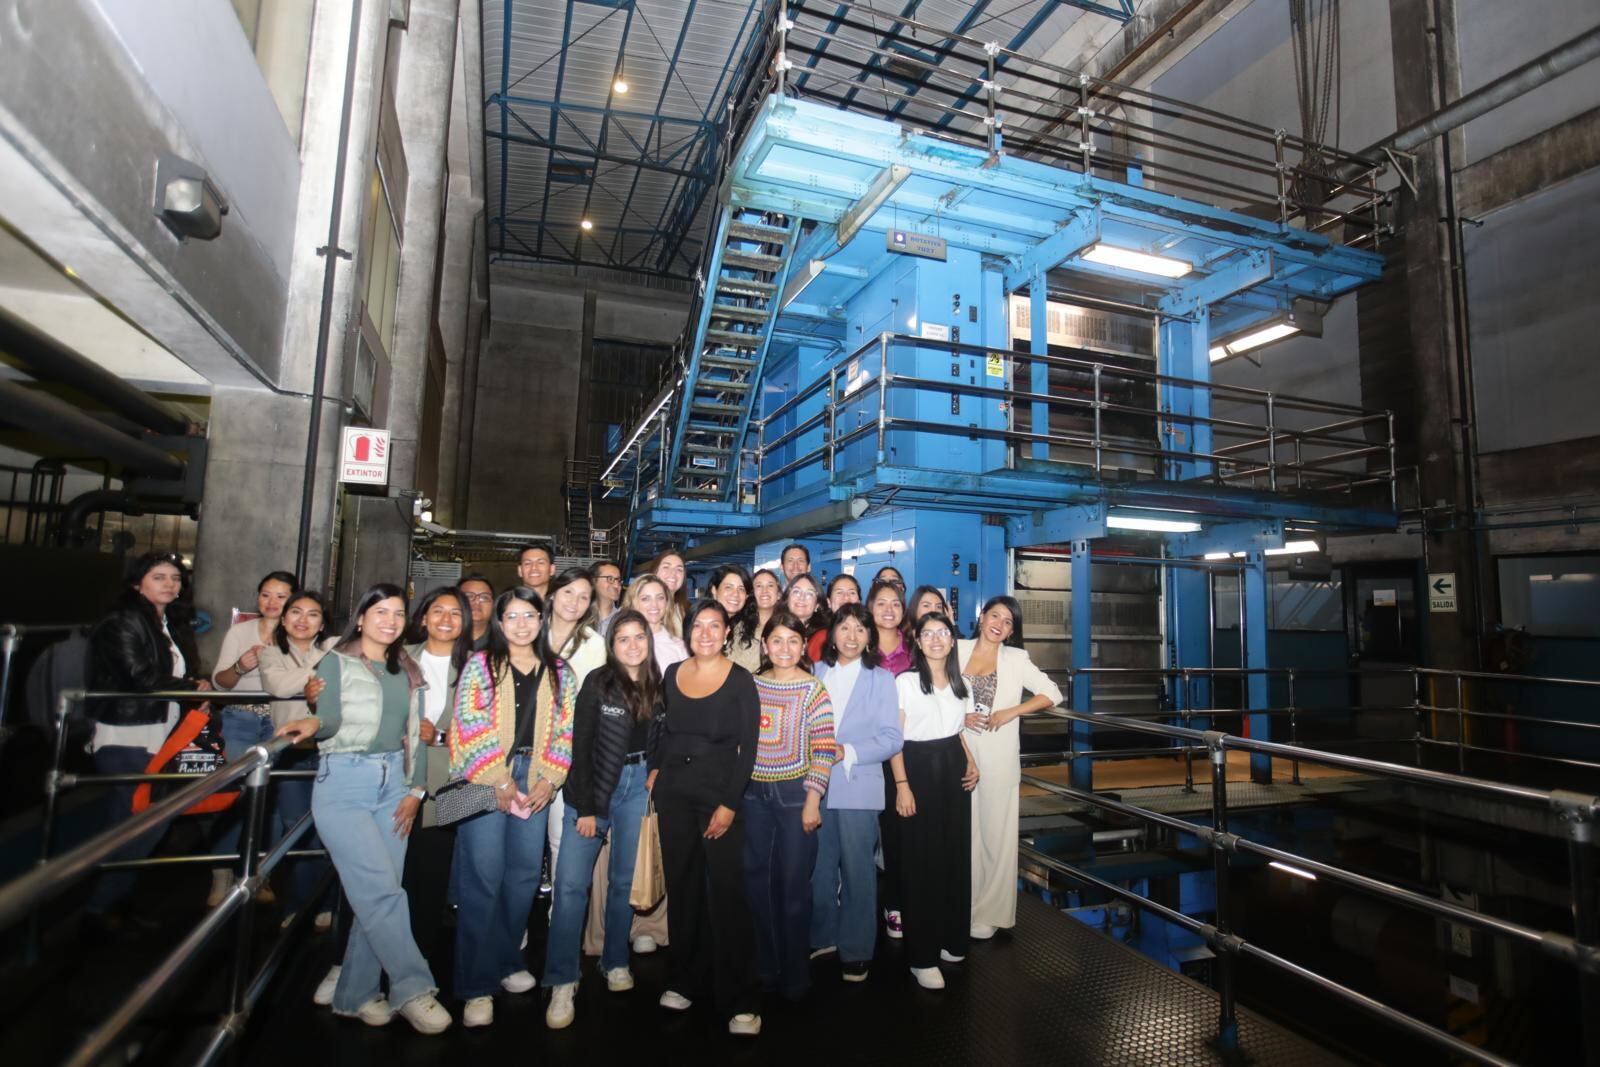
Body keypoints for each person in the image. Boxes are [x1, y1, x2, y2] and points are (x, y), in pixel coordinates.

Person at [274, 583, 452, 1033]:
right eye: (380, 612)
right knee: (382, 893)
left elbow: (415, 735)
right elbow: (329, 717)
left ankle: (353, 994)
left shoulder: (408, 668)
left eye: (397, 613)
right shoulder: (336, 661)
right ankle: (413, 988)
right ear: (360, 618)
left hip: (395, 783)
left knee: (382, 892)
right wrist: (311, 722)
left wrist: (415, 792)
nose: (390, 621)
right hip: (345, 782)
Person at [446, 587, 575, 1028]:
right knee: (482, 877)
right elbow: (469, 722)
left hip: (535, 777)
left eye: (530, 616)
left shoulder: (560, 671)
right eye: (513, 616)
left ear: (542, 620)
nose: (522, 624)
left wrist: (549, 778)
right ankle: (476, 985)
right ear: (500, 623)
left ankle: (505, 958)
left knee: (523, 876)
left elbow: (566, 729)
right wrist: (498, 777)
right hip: (484, 778)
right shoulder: (481, 665)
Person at [543, 610, 660, 1029]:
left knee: (623, 884)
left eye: (639, 637)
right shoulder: (597, 682)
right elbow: (581, 745)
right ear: (612, 646)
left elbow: (659, 737)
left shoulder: (654, 684)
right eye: (623, 638)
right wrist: (588, 807)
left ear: (648, 641)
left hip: (636, 789)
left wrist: (655, 769)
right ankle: (561, 980)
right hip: (593, 791)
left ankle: (615, 961)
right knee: (571, 886)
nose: (632, 645)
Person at [650, 600, 762, 1036]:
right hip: (675, 795)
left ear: (726, 632)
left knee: (728, 895)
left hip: (719, 798)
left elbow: (749, 749)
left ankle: (741, 998)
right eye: (700, 625)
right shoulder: (673, 674)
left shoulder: (740, 681)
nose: (707, 633)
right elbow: (665, 729)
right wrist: (656, 769)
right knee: (683, 888)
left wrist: (730, 803)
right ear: (690, 630)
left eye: (716, 626)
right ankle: (684, 979)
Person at [84, 551, 211, 928]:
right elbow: (138, 677)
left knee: (134, 823)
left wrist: (191, 686)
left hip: (159, 733)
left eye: (175, 578)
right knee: (145, 820)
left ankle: (115, 903)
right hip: (127, 735)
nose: (170, 584)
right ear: (137, 581)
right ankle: (99, 908)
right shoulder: (122, 621)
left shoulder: (168, 623)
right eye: (160, 577)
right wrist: (190, 687)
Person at [959, 596, 1063, 940]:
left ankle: (990, 912)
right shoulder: (956, 649)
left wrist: (1010, 712)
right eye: (995, 616)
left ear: (1011, 632)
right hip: (958, 751)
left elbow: (1051, 693)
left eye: (1007, 622)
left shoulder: (1017, 659)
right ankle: (964, 903)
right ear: (982, 617)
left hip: (999, 755)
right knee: (963, 833)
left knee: (996, 836)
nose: (999, 624)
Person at [747, 611, 835, 1001]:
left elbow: (824, 749)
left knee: (793, 886)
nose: (784, 649)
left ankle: (796, 973)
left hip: (796, 796)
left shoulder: (814, 690)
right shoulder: (750, 686)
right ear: (766, 645)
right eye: (776, 640)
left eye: (792, 641)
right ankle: (765, 965)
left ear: (803, 647)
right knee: (757, 884)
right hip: (751, 797)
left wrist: (813, 800)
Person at [811, 604, 902, 982]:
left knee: (858, 871)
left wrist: (847, 751)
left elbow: (891, 738)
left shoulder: (881, 679)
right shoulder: (815, 673)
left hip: (858, 784)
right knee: (817, 869)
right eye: (844, 628)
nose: (851, 636)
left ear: (869, 637)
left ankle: (857, 948)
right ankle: (822, 935)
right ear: (832, 633)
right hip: (814, 786)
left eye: (859, 630)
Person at [889, 611, 979, 990]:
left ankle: (951, 937)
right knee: (921, 863)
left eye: (943, 632)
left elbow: (957, 732)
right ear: (918, 641)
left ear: (952, 639)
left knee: (954, 856)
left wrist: (972, 760)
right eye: (928, 633)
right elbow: (895, 739)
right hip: (918, 770)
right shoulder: (906, 682)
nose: (937, 639)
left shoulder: (962, 684)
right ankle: (921, 957)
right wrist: (902, 785)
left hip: (954, 770)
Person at [207, 569, 298, 906]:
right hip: (240, 717)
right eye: (266, 595)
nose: (272, 602)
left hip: (279, 720)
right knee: (234, 796)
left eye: (281, 595)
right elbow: (221, 682)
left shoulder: (300, 633)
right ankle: (220, 874)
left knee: (271, 801)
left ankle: (262, 873)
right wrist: (242, 668)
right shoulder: (240, 632)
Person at [257, 590, 336, 944]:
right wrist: (325, 670)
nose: (303, 620)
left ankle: (325, 902)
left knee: (330, 830)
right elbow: (278, 685)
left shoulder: (333, 646)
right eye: (296, 612)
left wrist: (318, 674)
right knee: (296, 828)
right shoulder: (271, 653)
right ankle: (299, 903)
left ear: (323, 622)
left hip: (330, 748)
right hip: (291, 751)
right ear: (285, 618)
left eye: (313, 614)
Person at [400, 587, 472, 961]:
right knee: (388, 874)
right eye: (437, 611)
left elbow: (484, 732)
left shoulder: (476, 666)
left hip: (446, 783)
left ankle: (420, 962)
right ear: (423, 617)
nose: (446, 619)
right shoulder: (398, 658)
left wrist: (440, 736)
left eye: (455, 613)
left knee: (429, 876)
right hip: (394, 778)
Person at [543, 568, 608, 887]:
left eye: (584, 596)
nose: (575, 601)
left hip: (566, 754)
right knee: (520, 852)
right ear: (553, 593)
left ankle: (557, 926)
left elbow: (594, 709)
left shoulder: (594, 645)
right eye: (569, 592)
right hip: (521, 754)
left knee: (558, 841)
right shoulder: (528, 632)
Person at [624, 573, 686, 667]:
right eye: (645, 599)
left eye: (660, 598)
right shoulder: (622, 645)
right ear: (633, 603)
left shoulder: (678, 647)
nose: (654, 605)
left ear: (667, 602)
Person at [710, 564, 761, 672]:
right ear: (714, 590)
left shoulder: (752, 631)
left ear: (746, 596)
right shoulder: (697, 623)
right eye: (728, 587)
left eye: (741, 589)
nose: (735, 594)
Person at [808, 573, 860, 663]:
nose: (846, 597)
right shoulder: (821, 638)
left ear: (859, 601)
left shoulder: (867, 634)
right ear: (829, 602)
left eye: (852, 592)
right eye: (839, 592)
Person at [867, 579, 912, 677]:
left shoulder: (913, 647)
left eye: (895, 604)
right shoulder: (860, 647)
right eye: (881, 604)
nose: (889, 609)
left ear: (903, 610)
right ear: (871, 608)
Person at [780, 573, 825, 659]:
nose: (801, 597)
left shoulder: (823, 638)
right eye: (796, 591)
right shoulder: (775, 629)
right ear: (787, 599)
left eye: (809, 594)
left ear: (817, 606)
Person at [645, 548, 690, 631]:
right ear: (655, 571)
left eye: (679, 569)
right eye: (666, 567)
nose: (673, 573)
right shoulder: (639, 608)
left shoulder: (686, 611)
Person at [459, 575, 496, 650]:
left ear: (493, 604)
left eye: (484, 597)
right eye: (469, 596)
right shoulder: (444, 637)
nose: (476, 602)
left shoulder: (506, 641)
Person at [592, 561, 625, 635]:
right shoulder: (580, 617)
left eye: (619, 581)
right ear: (593, 581)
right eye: (610, 579)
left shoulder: (623, 620)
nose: (617, 586)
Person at [752, 568, 783, 634]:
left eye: (770, 585)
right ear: (752, 594)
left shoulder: (787, 626)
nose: (764, 590)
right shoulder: (739, 626)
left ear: (778, 594)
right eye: (759, 586)